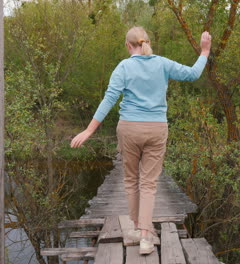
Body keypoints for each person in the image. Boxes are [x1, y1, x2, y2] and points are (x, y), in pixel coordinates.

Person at [71, 26, 211, 254]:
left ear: (128, 45)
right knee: (149, 184)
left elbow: (109, 100)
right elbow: (193, 74)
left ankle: (138, 228)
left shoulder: (124, 67)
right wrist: (204, 51)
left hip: (129, 129)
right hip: (157, 129)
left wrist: (88, 131)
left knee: (130, 180)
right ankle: (146, 236)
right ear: (146, 42)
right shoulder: (163, 63)